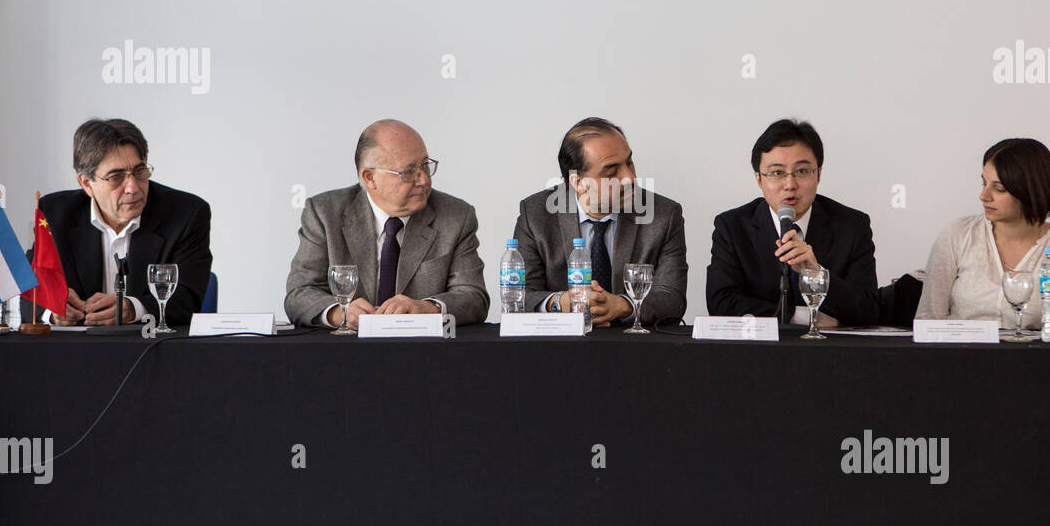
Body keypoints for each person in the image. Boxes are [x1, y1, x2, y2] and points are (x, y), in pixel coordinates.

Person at [285, 119, 488, 329]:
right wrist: (340, 313)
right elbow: (299, 294)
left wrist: (428, 308)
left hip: (425, 350)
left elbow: (473, 296)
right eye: (408, 171)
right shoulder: (325, 214)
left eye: (425, 166)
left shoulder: (455, 216)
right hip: (346, 353)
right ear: (370, 177)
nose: (424, 180)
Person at [24, 118, 212, 327]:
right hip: (76, 353)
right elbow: (26, 291)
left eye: (140, 172)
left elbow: (188, 300)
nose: (133, 187)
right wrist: (52, 310)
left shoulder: (186, 213)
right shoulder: (54, 213)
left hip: (151, 350)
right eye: (116, 177)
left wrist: (134, 309)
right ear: (87, 183)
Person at [513, 117, 688, 326]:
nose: (630, 178)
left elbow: (673, 298)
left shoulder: (664, 215)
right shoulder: (536, 214)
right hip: (560, 347)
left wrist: (622, 306)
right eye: (612, 172)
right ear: (578, 183)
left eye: (629, 162)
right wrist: (559, 302)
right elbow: (519, 294)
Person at [706, 118, 879, 326]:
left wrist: (817, 275)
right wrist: (800, 316)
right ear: (759, 179)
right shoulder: (732, 226)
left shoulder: (852, 225)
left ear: (819, 174)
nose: (790, 184)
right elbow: (721, 303)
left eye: (802, 171)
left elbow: (869, 310)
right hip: (757, 353)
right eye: (777, 173)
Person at [915, 137, 1050, 324]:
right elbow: (928, 320)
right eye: (984, 183)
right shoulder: (958, 235)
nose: (983, 196)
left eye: (999, 189)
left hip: (1032, 353)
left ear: (1030, 191)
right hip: (960, 353)